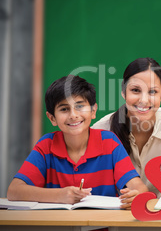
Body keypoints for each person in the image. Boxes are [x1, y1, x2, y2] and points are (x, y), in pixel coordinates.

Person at [7, 75, 147, 209]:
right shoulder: (46, 146)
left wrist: (136, 195)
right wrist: (59, 195)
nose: (73, 115)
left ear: (93, 111)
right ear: (52, 118)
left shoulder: (109, 143)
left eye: (80, 106)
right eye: (64, 109)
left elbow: (139, 188)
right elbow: (14, 191)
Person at [92, 58, 161, 197]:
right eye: (135, 90)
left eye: (152, 92)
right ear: (123, 91)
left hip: (159, 214)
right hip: (114, 213)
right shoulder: (101, 131)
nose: (144, 100)